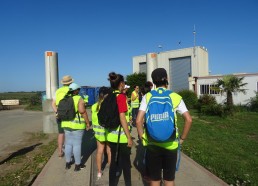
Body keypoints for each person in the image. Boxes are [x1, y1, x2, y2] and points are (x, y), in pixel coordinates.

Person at [136, 68, 192, 186]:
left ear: (153, 81)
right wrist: (181, 139)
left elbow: (138, 121)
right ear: (166, 79)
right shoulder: (175, 96)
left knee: (155, 180)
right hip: (171, 145)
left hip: (152, 145)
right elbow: (189, 120)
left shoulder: (147, 97)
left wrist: (143, 139)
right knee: (169, 180)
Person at [106, 72, 133, 186]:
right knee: (126, 164)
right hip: (121, 136)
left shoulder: (109, 96)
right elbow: (122, 117)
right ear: (121, 83)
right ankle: (128, 184)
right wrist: (129, 137)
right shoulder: (121, 97)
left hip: (110, 135)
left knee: (113, 162)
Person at [62, 83, 91, 171]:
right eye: (78, 89)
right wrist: (87, 123)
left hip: (66, 125)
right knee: (77, 145)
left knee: (68, 144)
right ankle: (78, 165)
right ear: (76, 90)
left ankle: (68, 163)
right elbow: (82, 111)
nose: (79, 91)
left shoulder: (65, 98)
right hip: (77, 126)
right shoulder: (79, 98)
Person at [91, 86, 111, 180]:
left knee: (99, 152)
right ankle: (111, 170)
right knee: (109, 151)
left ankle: (99, 172)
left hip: (98, 134)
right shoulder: (108, 106)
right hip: (108, 132)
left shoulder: (94, 106)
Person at [51, 75, 73, 157]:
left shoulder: (58, 91)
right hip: (70, 115)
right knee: (70, 134)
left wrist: (57, 112)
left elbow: (53, 103)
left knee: (61, 133)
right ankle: (70, 153)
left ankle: (60, 152)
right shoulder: (72, 90)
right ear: (71, 82)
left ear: (63, 83)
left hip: (59, 115)